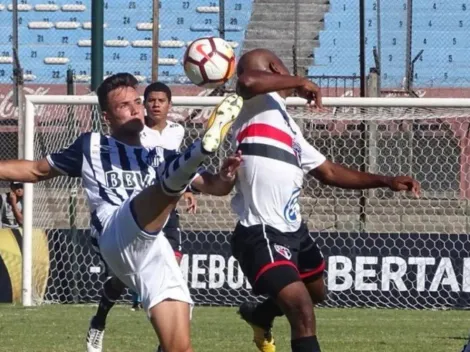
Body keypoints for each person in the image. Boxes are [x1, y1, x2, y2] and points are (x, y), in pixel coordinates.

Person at [0, 72, 243, 352]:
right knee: (164, 188)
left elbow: (216, 187)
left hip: (154, 249)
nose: (134, 109)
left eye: (136, 102)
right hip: (115, 232)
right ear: (107, 116)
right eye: (123, 106)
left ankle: (201, 152)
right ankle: (201, 149)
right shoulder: (91, 145)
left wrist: (227, 175)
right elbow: (35, 170)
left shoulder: (159, 155)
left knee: (179, 347)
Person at [230, 49, 421, 352]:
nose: (281, 70)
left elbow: (329, 172)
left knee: (317, 293)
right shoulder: (254, 103)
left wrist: (385, 180)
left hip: (294, 230)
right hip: (262, 230)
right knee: (302, 310)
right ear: (272, 70)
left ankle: (260, 314)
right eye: (275, 66)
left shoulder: (287, 124)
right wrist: (299, 80)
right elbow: (249, 80)